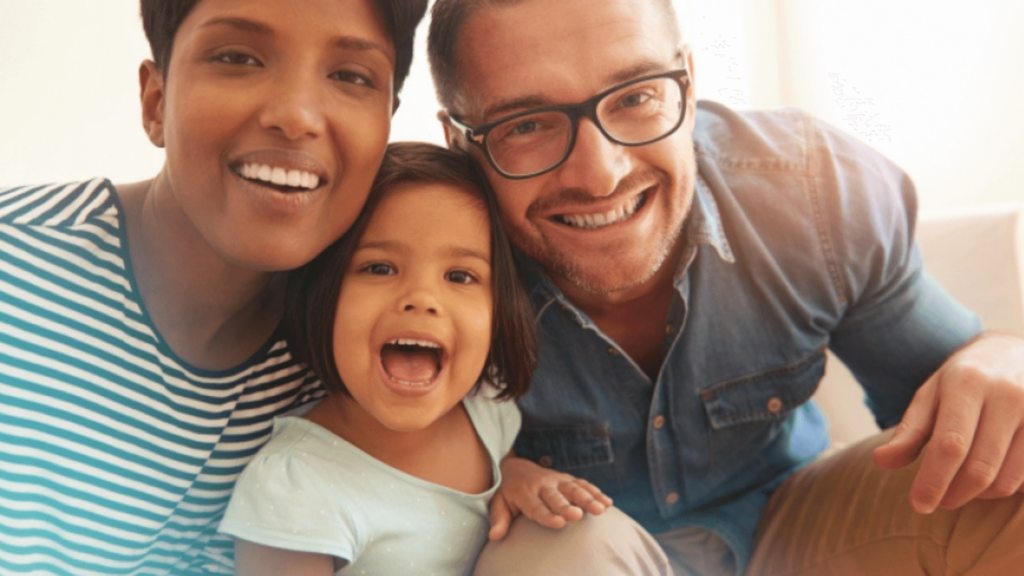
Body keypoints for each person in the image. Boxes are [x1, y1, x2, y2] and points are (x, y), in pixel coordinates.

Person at [425, 0, 1024, 574]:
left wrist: (1001, 355)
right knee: (561, 554)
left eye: (635, 96)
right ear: (460, 144)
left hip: (791, 522)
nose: (600, 174)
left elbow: (956, 395)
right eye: (526, 124)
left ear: (687, 81)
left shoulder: (813, 193)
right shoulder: (414, 264)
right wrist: (496, 471)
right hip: (580, 549)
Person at [0, 0, 427, 573]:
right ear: (156, 102)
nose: (297, 114)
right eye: (238, 57)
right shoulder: (19, 270)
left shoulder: (354, 356)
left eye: (351, 76)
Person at [216, 142, 611, 575]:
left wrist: (515, 474)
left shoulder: (486, 408)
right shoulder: (295, 486)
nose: (422, 299)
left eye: (460, 276)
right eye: (380, 268)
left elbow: (502, 462)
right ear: (321, 292)